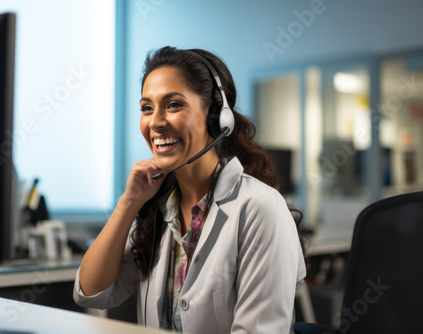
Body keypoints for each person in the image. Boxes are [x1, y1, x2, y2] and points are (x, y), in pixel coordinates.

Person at [74, 46, 306, 333]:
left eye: (173, 105)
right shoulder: (159, 209)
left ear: (215, 117)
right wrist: (128, 203)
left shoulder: (259, 207)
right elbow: (92, 291)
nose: (156, 122)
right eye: (147, 108)